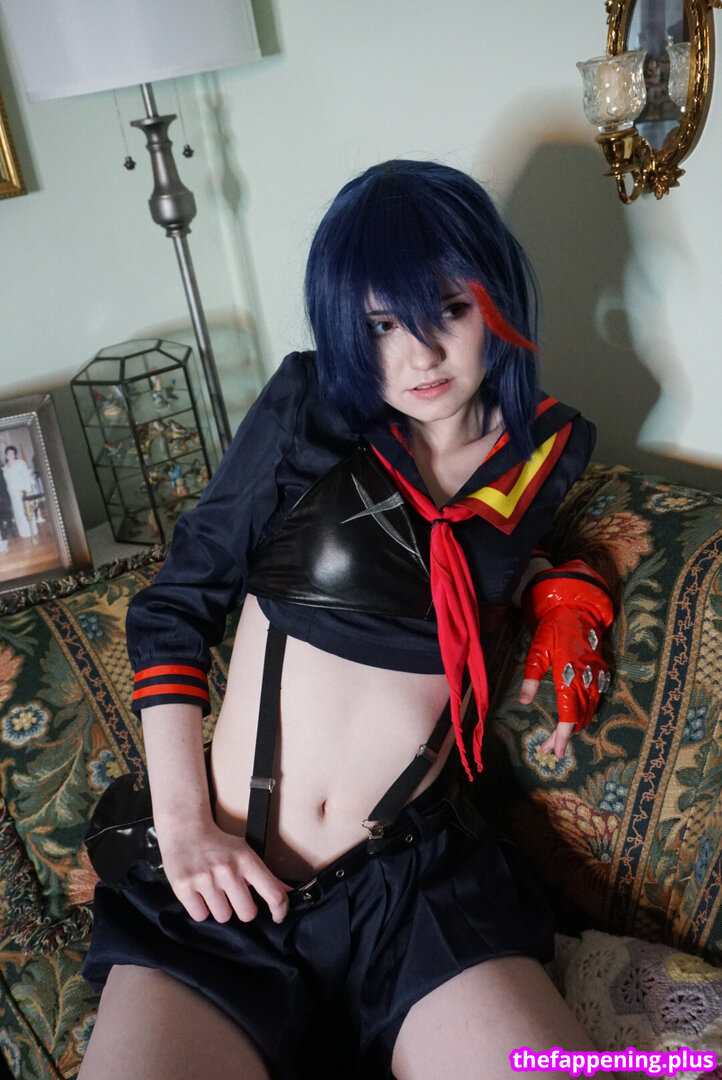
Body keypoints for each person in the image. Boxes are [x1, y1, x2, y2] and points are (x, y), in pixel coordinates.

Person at [79, 160, 614, 1080]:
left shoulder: (550, 450)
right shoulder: (309, 409)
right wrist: (186, 829)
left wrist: (559, 588)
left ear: (496, 297)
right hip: (229, 881)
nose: (420, 356)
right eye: (380, 325)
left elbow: (463, 570)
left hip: (414, 891)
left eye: (449, 309)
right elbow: (174, 607)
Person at [3, 445, 38, 539]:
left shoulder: (20, 463)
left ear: (15, 455)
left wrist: (28, 490)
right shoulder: (5, 468)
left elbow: (26, 477)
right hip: (13, 494)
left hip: (22, 491)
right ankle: (23, 532)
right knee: (18, 513)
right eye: (8, 453)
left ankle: (32, 531)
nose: (10, 455)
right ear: (6, 455)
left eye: (12, 453)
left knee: (26, 511)